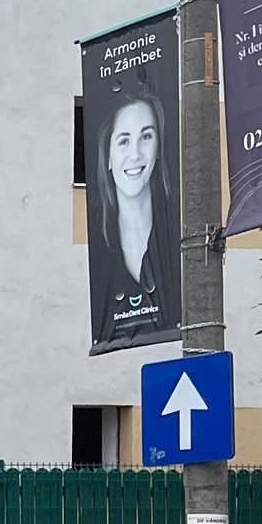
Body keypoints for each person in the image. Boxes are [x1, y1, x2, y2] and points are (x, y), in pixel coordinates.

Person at [90, 79, 179, 349]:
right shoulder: (99, 244)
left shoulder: (177, 233)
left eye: (146, 136)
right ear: (107, 156)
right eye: (124, 141)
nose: (136, 154)